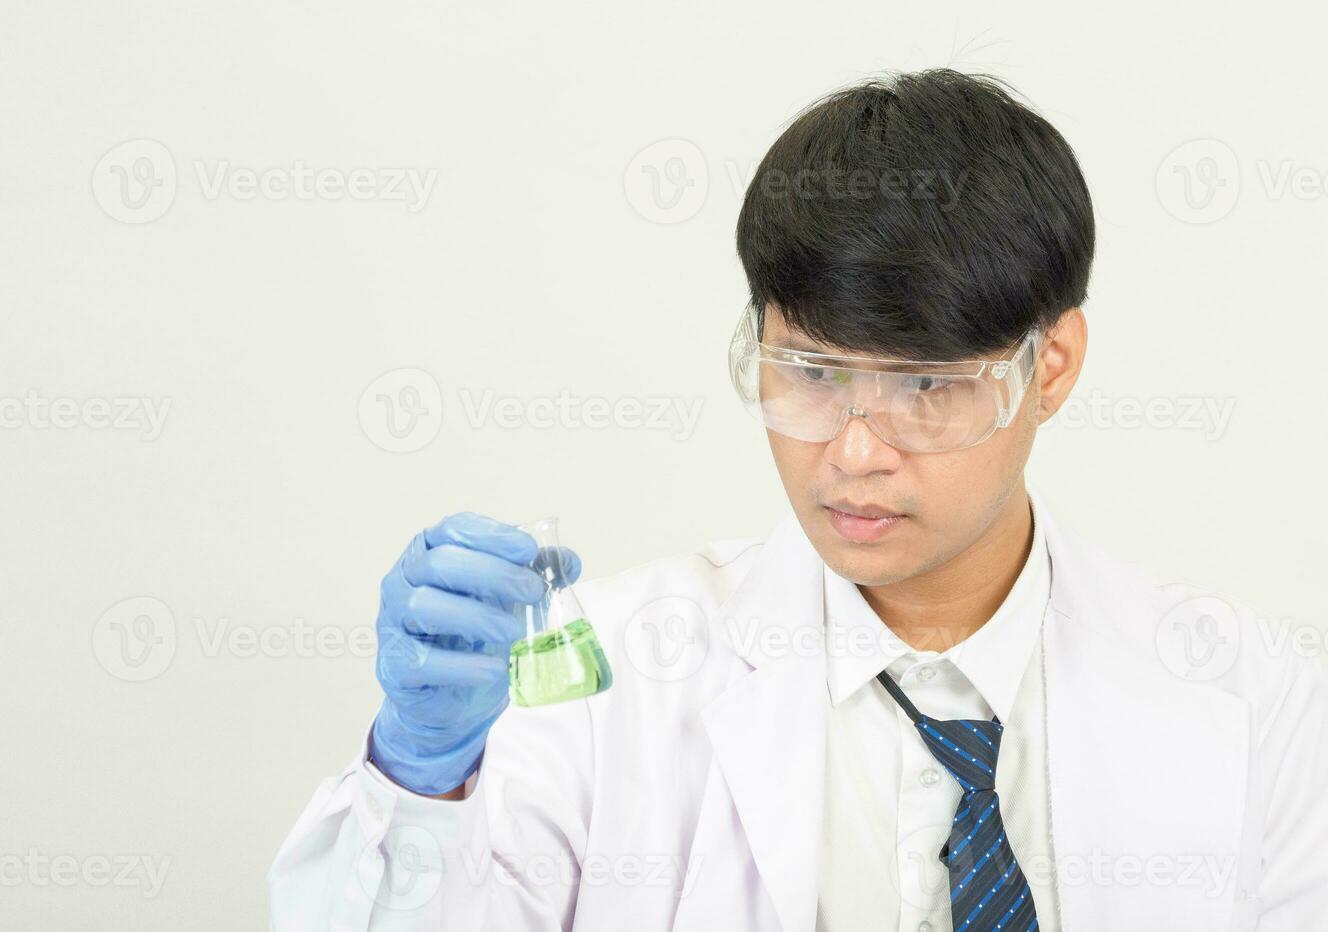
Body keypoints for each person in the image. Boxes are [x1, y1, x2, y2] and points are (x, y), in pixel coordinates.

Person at [268, 70, 1327, 931]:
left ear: (1049, 363)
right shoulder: (604, 673)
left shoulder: (1246, 689)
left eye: (923, 387)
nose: (853, 450)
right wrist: (418, 789)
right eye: (809, 373)